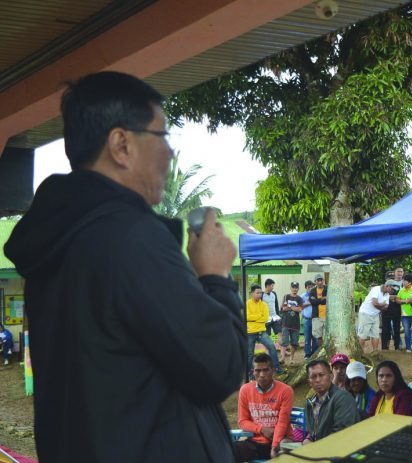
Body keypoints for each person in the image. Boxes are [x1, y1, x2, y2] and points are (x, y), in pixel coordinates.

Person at [3, 72, 247, 462]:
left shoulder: (61, 236)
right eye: (162, 137)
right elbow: (218, 368)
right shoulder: (131, 238)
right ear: (121, 144)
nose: (170, 153)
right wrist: (215, 278)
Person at [235, 353, 294, 461]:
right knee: (229, 451)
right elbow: (242, 421)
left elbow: (283, 422)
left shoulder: (286, 391)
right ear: (253, 372)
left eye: (266, 370)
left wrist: (274, 446)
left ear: (273, 370)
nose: (261, 374)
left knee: (285, 450)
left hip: (282, 439)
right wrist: (262, 429)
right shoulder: (245, 390)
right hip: (255, 442)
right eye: (257, 370)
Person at [304, 359, 359, 444]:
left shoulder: (342, 398)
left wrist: (316, 447)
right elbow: (314, 432)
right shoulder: (310, 403)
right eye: (313, 377)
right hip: (318, 451)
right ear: (309, 382)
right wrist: (309, 439)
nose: (318, 380)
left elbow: (342, 433)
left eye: (321, 375)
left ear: (330, 376)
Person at [247, 284, 283, 376]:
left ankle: (277, 368)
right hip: (250, 332)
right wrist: (259, 316)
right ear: (252, 293)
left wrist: (254, 318)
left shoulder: (264, 305)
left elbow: (265, 318)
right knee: (250, 354)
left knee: (272, 347)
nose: (259, 294)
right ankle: (250, 373)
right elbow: (246, 317)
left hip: (261, 332)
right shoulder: (247, 304)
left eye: (261, 293)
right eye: (257, 292)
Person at [358, 282, 393, 352]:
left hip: (375, 315)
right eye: (391, 289)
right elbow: (374, 303)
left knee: (376, 335)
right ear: (387, 286)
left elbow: (386, 307)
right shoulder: (376, 289)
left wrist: (380, 305)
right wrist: (381, 305)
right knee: (363, 335)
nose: (392, 291)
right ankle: (360, 353)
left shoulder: (387, 294)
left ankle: (375, 353)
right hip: (365, 313)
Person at [280, 282, 303, 363]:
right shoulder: (286, 296)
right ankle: (282, 358)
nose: (295, 289)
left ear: (298, 288)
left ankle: (291, 358)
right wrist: (293, 307)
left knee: (294, 343)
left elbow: (300, 309)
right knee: (284, 342)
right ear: (290, 288)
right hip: (286, 323)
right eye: (293, 287)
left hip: (295, 325)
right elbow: (283, 308)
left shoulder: (299, 299)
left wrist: (289, 307)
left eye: (296, 287)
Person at [397, 275, 412, 351]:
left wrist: (409, 300)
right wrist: (405, 300)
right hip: (404, 315)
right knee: (407, 331)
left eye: (405, 281)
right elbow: (397, 300)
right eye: (403, 280)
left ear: (410, 282)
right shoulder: (401, 290)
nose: (403, 282)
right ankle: (408, 347)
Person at [381, 278, 403, 351]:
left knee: (397, 330)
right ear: (387, 286)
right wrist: (391, 297)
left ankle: (397, 346)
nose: (393, 289)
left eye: (394, 287)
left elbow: (399, 298)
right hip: (385, 313)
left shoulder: (398, 291)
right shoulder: (382, 292)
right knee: (385, 330)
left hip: (396, 313)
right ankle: (384, 347)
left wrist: (394, 297)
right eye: (392, 287)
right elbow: (381, 299)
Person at [309, 274, 328, 349]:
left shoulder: (327, 288)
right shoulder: (313, 290)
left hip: (327, 316)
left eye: (321, 280)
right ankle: (321, 350)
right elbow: (313, 302)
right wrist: (322, 299)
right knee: (319, 336)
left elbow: (328, 300)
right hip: (317, 316)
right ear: (315, 282)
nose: (320, 282)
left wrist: (318, 300)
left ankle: (327, 350)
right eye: (318, 280)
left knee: (327, 335)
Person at [301, 280, 318, 359]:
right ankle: (307, 355)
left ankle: (314, 354)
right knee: (307, 338)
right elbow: (300, 305)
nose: (310, 289)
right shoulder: (303, 296)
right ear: (305, 288)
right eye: (308, 287)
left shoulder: (316, 295)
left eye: (312, 287)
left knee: (315, 338)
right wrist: (310, 302)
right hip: (307, 319)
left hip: (315, 319)